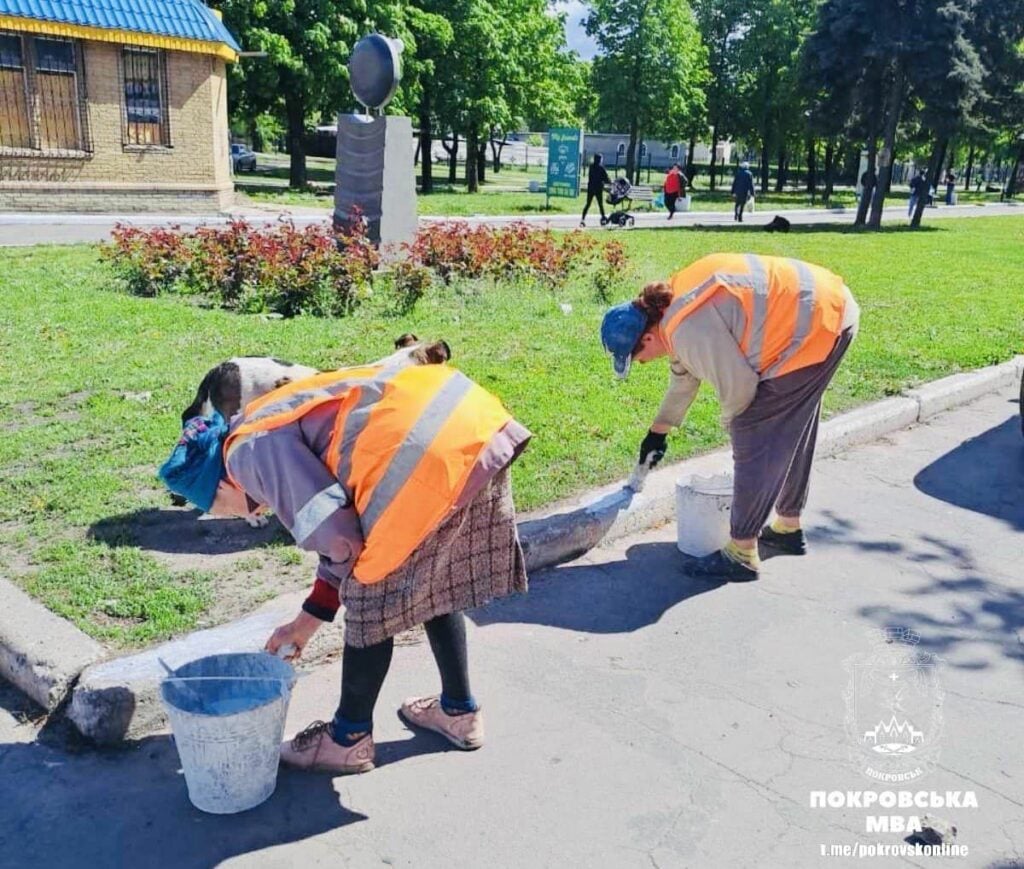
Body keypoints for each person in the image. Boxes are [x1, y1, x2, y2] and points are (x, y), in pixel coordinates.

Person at [159, 358, 531, 774]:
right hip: (471, 426)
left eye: (218, 507)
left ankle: (347, 739)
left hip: (429, 452)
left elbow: (342, 541)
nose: (236, 513)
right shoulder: (261, 418)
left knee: (369, 586)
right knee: (433, 575)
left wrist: (309, 618)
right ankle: (459, 712)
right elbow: (339, 530)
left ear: (222, 483)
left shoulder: (245, 454)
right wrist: (307, 621)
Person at [600, 253, 860, 582]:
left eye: (636, 357)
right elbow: (684, 381)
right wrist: (658, 432)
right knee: (794, 423)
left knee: (753, 431)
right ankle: (787, 527)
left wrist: (738, 430)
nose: (640, 363)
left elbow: (739, 389)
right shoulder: (672, 310)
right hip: (828, 311)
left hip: (817, 323)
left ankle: (742, 552)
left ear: (647, 338)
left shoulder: (685, 329)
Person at [581, 153, 612, 227]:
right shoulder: (601, 168)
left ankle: (583, 219)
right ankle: (603, 217)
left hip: (591, 188)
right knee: (600, 204)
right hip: (598, 188)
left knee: (588, 204)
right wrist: (610, 182)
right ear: (600, 160)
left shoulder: (591, 167)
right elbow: (605, 178)